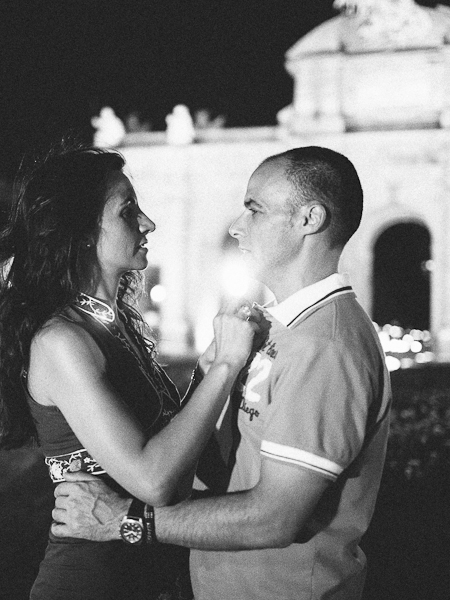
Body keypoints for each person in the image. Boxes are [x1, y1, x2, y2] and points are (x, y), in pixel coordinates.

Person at [52, 146, 392, 600]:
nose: (235, 225)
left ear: (309, 219)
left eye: (254, 209)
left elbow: (275, 517)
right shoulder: (280, 328)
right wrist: (214, 368)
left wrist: (122, 520)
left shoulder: (325, 346)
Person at [0, 144, 261, 600]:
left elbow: (177, 447)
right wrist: (226, 365)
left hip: (151, 574)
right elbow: (156, 480)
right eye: (128, 211)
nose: (148, 223)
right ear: (83, 230)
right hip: (91, 582)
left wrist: (209, 369)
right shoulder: (62, 341)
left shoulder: (119, 322)